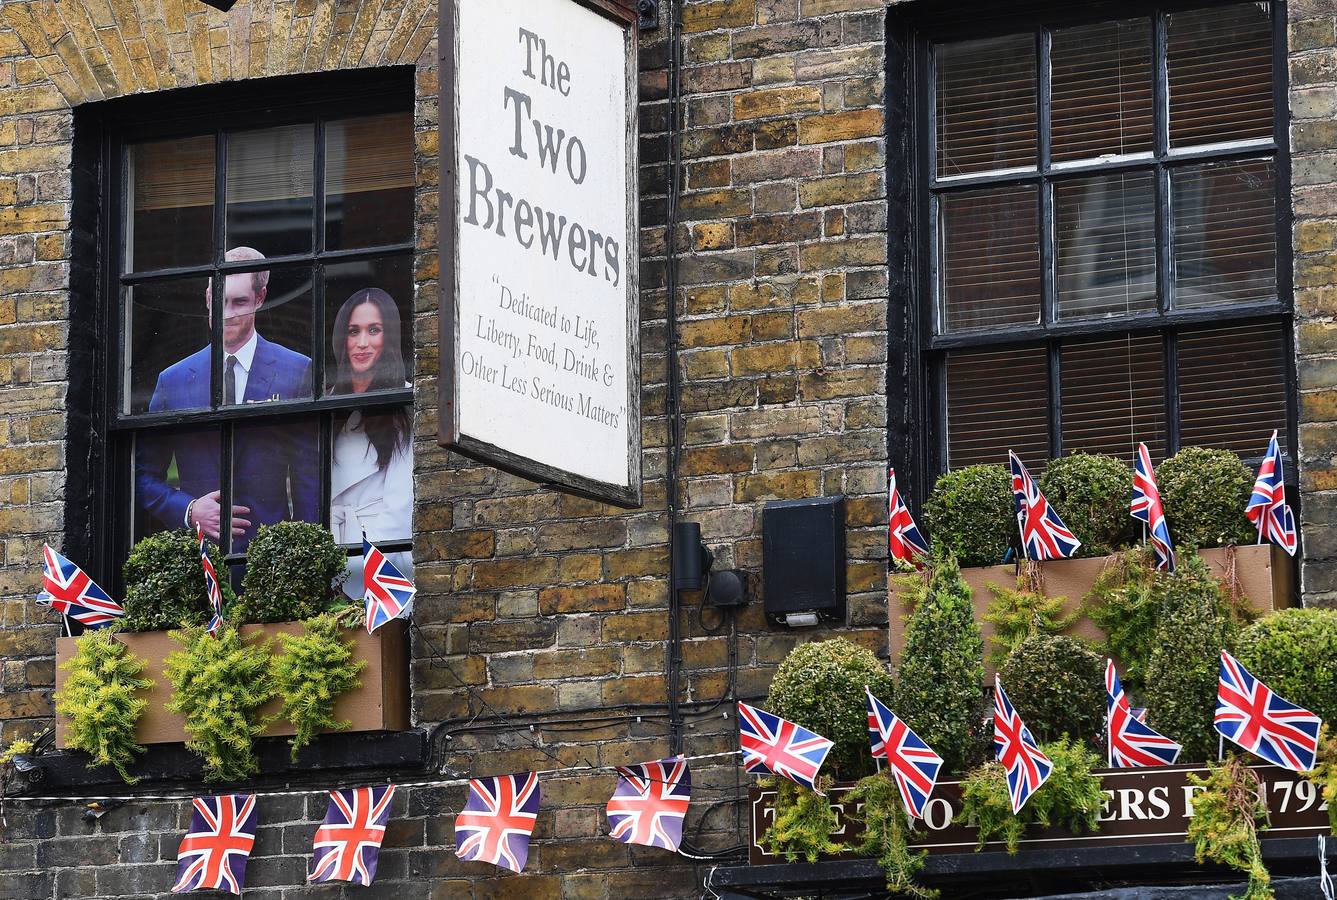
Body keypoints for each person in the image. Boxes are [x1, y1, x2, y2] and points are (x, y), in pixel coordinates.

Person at [135, 247, 318, 546]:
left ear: (260, 298)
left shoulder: (295, 371)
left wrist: (300, 554)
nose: (228, 313)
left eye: (240, 302)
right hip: (198, 561)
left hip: (271, 562)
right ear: (207, 299)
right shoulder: (173, 380)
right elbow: (140, 478)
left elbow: (309, 479)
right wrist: (189, 510)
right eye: (220, 301)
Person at [328, 288, 413, 597]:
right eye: (354, 332)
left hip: (383, 560)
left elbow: (400, 506)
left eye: (373, 330)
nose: (362, 343)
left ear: (387, 336)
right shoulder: (328, 404)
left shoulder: (405, 401)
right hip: (333, 557)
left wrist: (368, 568)